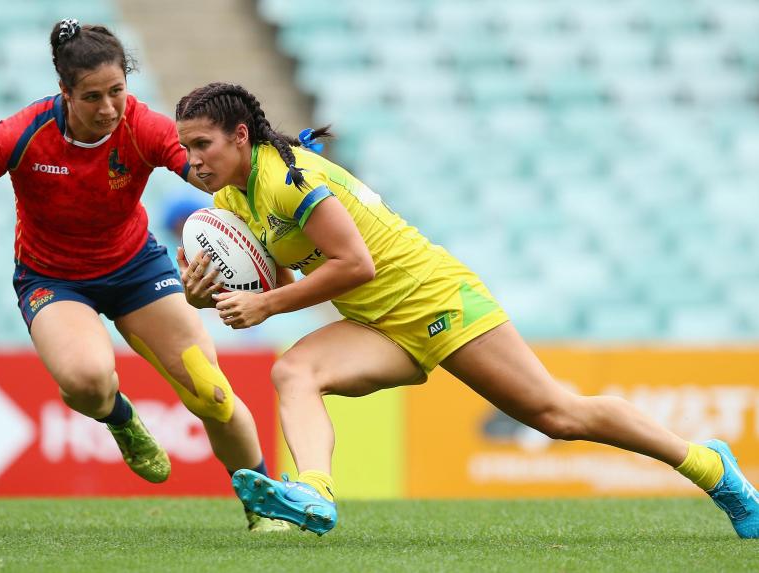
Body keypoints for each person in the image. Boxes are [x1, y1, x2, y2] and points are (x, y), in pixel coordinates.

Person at [173, 82, 759, 537]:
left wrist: (267, 302)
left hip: (436, 299)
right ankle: (314, 492)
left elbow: (356, 265)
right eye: (187, 147)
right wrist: (216, 291)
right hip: (379, 324)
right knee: (293, 371)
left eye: (204, 144)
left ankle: (710, 467)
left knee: (557, 415)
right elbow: (282, 269)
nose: (194, 159)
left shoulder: (291, 180)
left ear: (242, 136)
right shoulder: (233, 197)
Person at [0, 22, 287, 533]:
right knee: (86, 384)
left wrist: (273, 196)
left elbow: (209, 176)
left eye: (117, 92)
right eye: (92, 97)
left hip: (137, 269)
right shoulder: (19, 134)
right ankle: (120, 419)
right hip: (53, 280)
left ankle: (264, 505)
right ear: (65, 93)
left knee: (211, 392)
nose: (108, 108)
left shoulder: (142, 125)